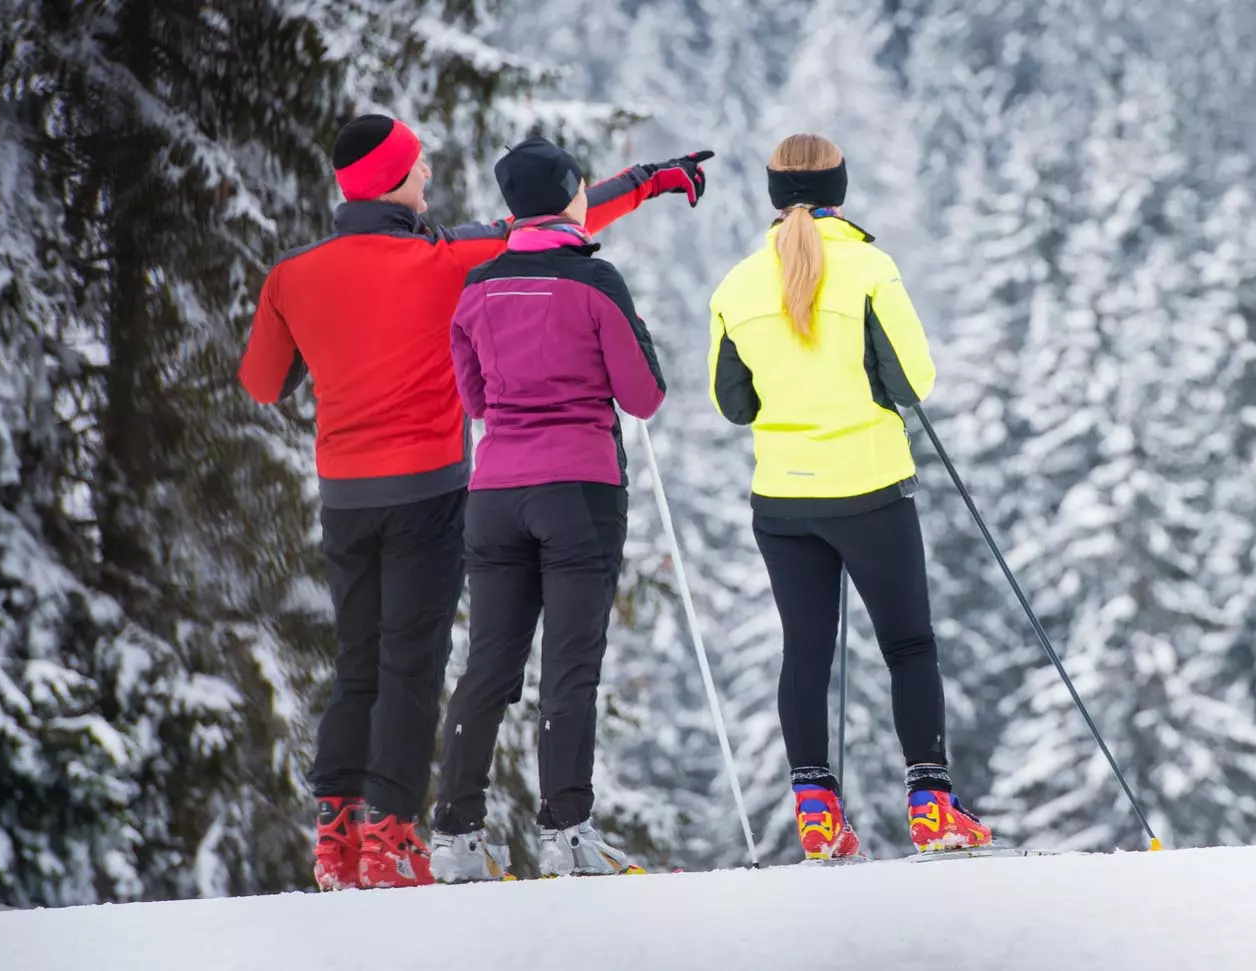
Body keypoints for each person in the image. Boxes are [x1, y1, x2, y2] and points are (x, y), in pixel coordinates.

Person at [238, 113, 710, 890]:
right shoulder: (449, 256)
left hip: (345, 496)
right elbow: (555, 221)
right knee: (414, 663)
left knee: (358, 663)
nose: (428, 175)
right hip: (430, 489)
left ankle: (336, 839)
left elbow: (262, 383)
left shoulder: (294, 273)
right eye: (418, 166)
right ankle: (393, 839)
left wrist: (319, 349)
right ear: (392, 180)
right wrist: (654, 178)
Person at [705, 133, 992, 860]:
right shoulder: (869, 267)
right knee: (908, 643)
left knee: (805, 650)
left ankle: (816, 814)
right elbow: (913, 382)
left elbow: (732, 403)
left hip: (781, 500)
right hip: (867, 487)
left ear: (774, 195)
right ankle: (932, 807)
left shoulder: (737, 285)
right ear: (841, 187)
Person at [426, 136, 666, 882]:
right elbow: (643, 395)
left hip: (495, 493)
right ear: (569, 197)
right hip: (579, 491)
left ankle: (456, 836)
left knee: (489, 664)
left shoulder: (477, 286)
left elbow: (474, 400)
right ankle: (567, 832)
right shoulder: (595, 280)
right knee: (570, 662)